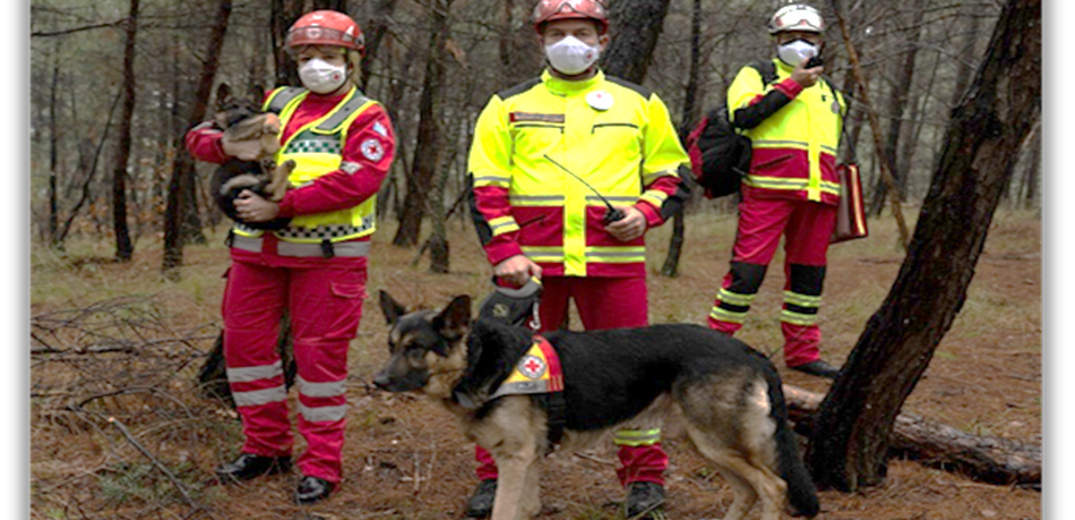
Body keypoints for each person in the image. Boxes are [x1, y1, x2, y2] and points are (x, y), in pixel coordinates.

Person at [465, 0, 690, 517]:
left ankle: (643, 479)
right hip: (530, 271)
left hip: (614, 267)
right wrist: (506, 253)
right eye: (559, 33)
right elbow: (487, 186)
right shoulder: (507, 105)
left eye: (582, 32)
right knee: (509, 371)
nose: (571, 42)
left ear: (603, 39)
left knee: (635, 373)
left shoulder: (639, 103)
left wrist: (643, 214)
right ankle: (495, 478)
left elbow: (671, 176)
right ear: (540, 40)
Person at [185, 10, 395, 504]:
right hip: (255, 256)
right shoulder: (278, 102)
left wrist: (283, 204)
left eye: (327, 56)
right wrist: (224, 143)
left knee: (321, 362)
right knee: (246, 354)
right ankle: (265, 447)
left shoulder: (366, 115)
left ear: (351, 60)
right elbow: (201, 139)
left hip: (329, 259)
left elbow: (358, 180)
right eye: (305, 56)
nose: (316, 65)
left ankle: (322, 465)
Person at [705, 4, 847, 379]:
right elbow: (742, 116)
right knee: (746, 274)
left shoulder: (830, 90)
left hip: (819, 197)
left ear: (821, 42)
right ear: (776, 40)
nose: (800, 43)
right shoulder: (757, 74)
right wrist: (792, 84)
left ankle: (803, 352)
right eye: (790, 37)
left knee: (808, 280)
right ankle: (713, 345)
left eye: (809, 37)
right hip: (767, 191)